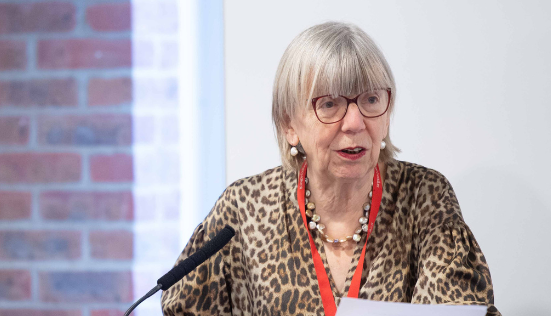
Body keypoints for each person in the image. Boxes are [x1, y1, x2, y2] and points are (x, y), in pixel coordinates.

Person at [161, 21, 500, 316]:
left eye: (370, 100)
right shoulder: (243, 209)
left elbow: (455, 308)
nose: (355, 122)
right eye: (329, 103)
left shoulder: (425, 197)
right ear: (289, 124)